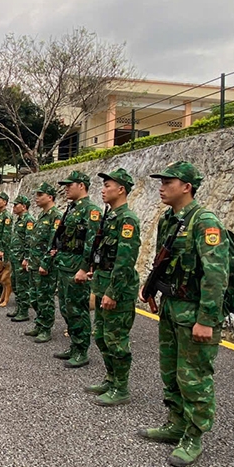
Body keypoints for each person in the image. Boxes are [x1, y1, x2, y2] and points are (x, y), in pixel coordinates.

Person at [137, 161, 229, 467]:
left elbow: (216, 276)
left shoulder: (205, 222)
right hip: (171, 306)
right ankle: (175, 423)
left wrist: (207, 319)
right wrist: (153, 289)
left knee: (194, 377)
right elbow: (164, 261)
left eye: (168, 182)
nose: (162, 187)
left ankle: (194, 435)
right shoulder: (169, 219)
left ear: (186, 186)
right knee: (170, 370)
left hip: (194, 312)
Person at [84, 168, 141, 406]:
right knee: (101, 336)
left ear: (121, 189)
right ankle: (110, 378)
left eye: (108, 185)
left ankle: (121, 387)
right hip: (103, 282)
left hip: (117, 289)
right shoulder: (111, 217)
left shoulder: (127, 220)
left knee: (116, 339)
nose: (103, 189)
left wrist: (113, 292)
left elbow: (125, 260)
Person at [52, 171, 102, 368]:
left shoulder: (91, 210)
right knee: (65, 307)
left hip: (76, 267)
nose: (66, 188)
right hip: (64, 264)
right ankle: (74, 344)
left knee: (78, 308)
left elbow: (92, 243)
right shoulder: (71, 209)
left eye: (69, 185)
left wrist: (84, 268)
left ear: (81, 185)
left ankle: (82, 350)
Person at [22, 182, 62, 343]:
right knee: (34, 297)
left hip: (45, 266)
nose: (36, 198)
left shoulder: (56, 216)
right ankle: (39, 323)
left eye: (40, 195)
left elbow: (54, 243)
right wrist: (28, 259)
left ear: (50, 197)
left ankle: (46, 327)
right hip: (34, 263)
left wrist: (45, 263)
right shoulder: (41, 216)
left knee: (45, 297)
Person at [6, 195, 36, 322]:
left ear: (23, 206)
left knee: (23, 285)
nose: (13, 207)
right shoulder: (19, 220)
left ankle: (24, 311)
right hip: (15, 257)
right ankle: (19, 308)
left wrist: (27, 258)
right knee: (15, 283)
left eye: (16, 205)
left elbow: (30, 240)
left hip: (21, 259)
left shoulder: (29, 220)